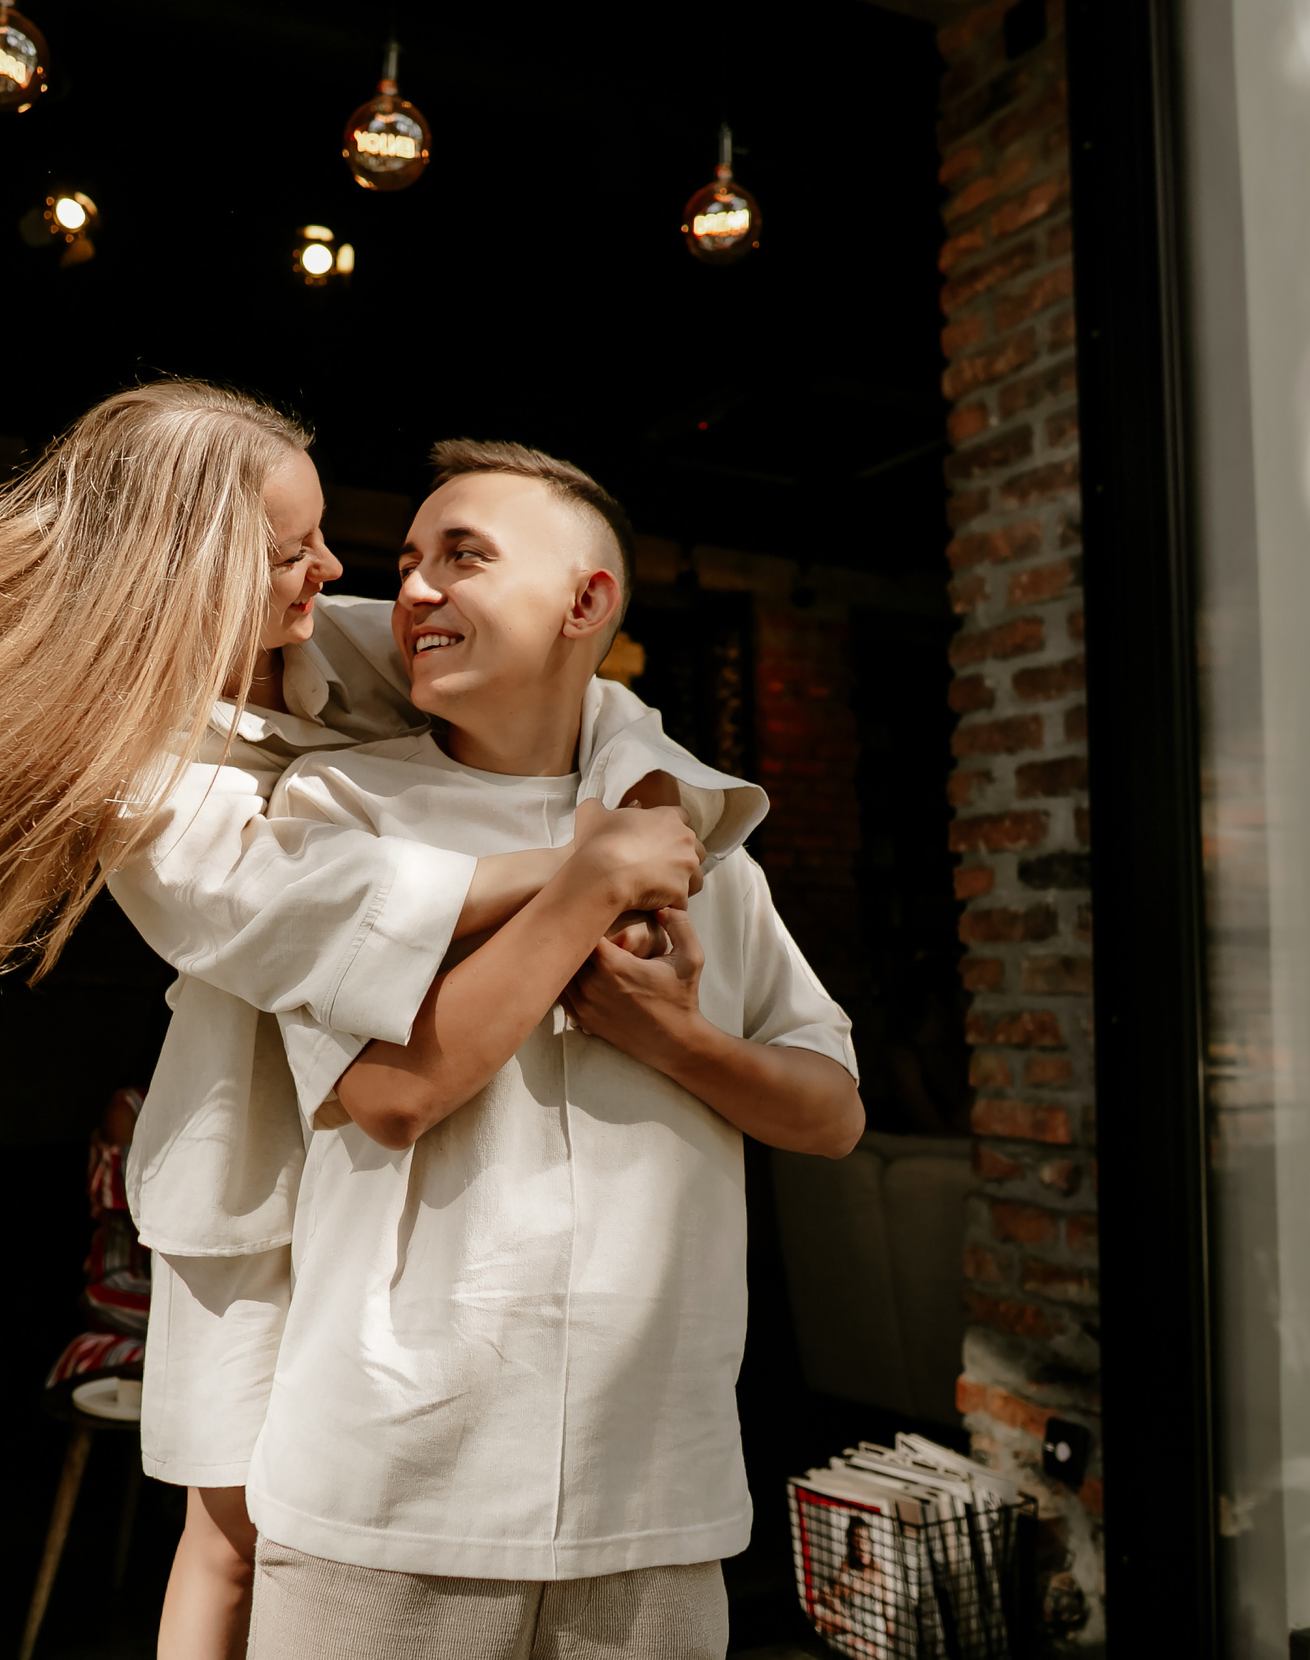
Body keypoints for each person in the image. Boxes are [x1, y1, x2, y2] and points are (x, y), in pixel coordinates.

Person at [0, 383, 716, 1660]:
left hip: (407, 1129)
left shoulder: (340, 641)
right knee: (238, 1532)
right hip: (265, 1156)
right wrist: (592, 866)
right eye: (295, 550)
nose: (339, 569)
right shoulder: (129, 770)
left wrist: (633, 808)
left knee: (363, 1511)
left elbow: (581, 700)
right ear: (190, 573)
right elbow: (312, 907)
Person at [241, 443, 866, 1660]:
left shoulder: (696, 833)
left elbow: (830, 1112)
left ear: (587, 602)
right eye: (409, 562)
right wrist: (587, 887)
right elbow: (385, 1094)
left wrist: (674, 1038)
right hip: (391, 1484)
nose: (413, 589)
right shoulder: (338, 811)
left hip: (654, 1495)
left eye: (462, 556)